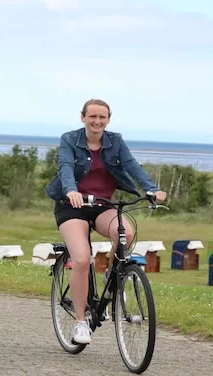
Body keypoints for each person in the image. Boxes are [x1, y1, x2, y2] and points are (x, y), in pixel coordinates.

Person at [44, 99, 167, 345]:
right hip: (73, 206)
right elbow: (65, 167)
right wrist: (71, 190)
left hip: (102, 205)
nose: (97, 121)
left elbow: (132, 166)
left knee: (126, 234)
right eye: (92, 117)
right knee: (81, 259)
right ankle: (81, 322)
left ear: (108, 119)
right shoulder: (70, 139)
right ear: (83, 118)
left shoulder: (115, 141)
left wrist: (152, 189)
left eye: (102, 117)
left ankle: (113, 276)